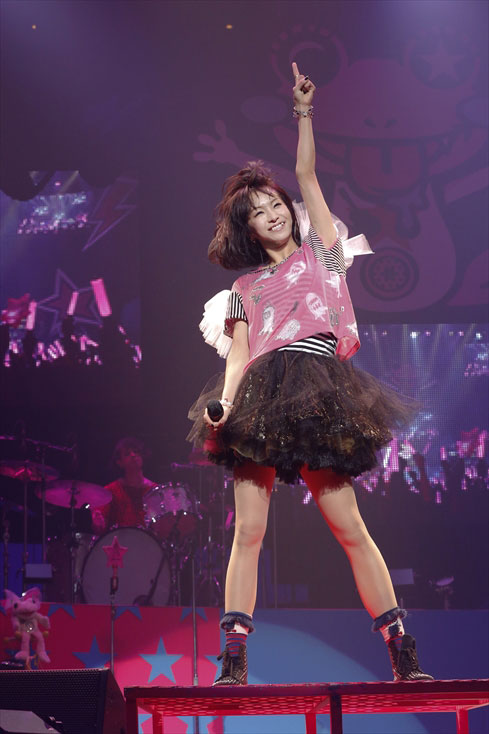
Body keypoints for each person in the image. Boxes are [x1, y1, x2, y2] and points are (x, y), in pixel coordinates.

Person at [188, 62, 433, 686]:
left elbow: (306, 174)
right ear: (246, 228)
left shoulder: (323, 254)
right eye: (258, 211)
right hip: (260, 397)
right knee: (248, 531)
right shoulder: (244, 287)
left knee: (350, 527)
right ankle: (234, 661)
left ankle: (402, 653)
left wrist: (302, 112)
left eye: (275, 205)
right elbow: (239, 357)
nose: (272, 213)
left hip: (319, 389)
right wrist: (223, 406)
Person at [91, 437, 157, 533]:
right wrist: (97, 523)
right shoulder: (110, 491)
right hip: (119, 540)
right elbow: (100, 528)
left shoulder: (154, 490)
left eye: (136, 451)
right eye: (127, 454)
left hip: (148, 540)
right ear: (119, 462)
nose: (133, 455)